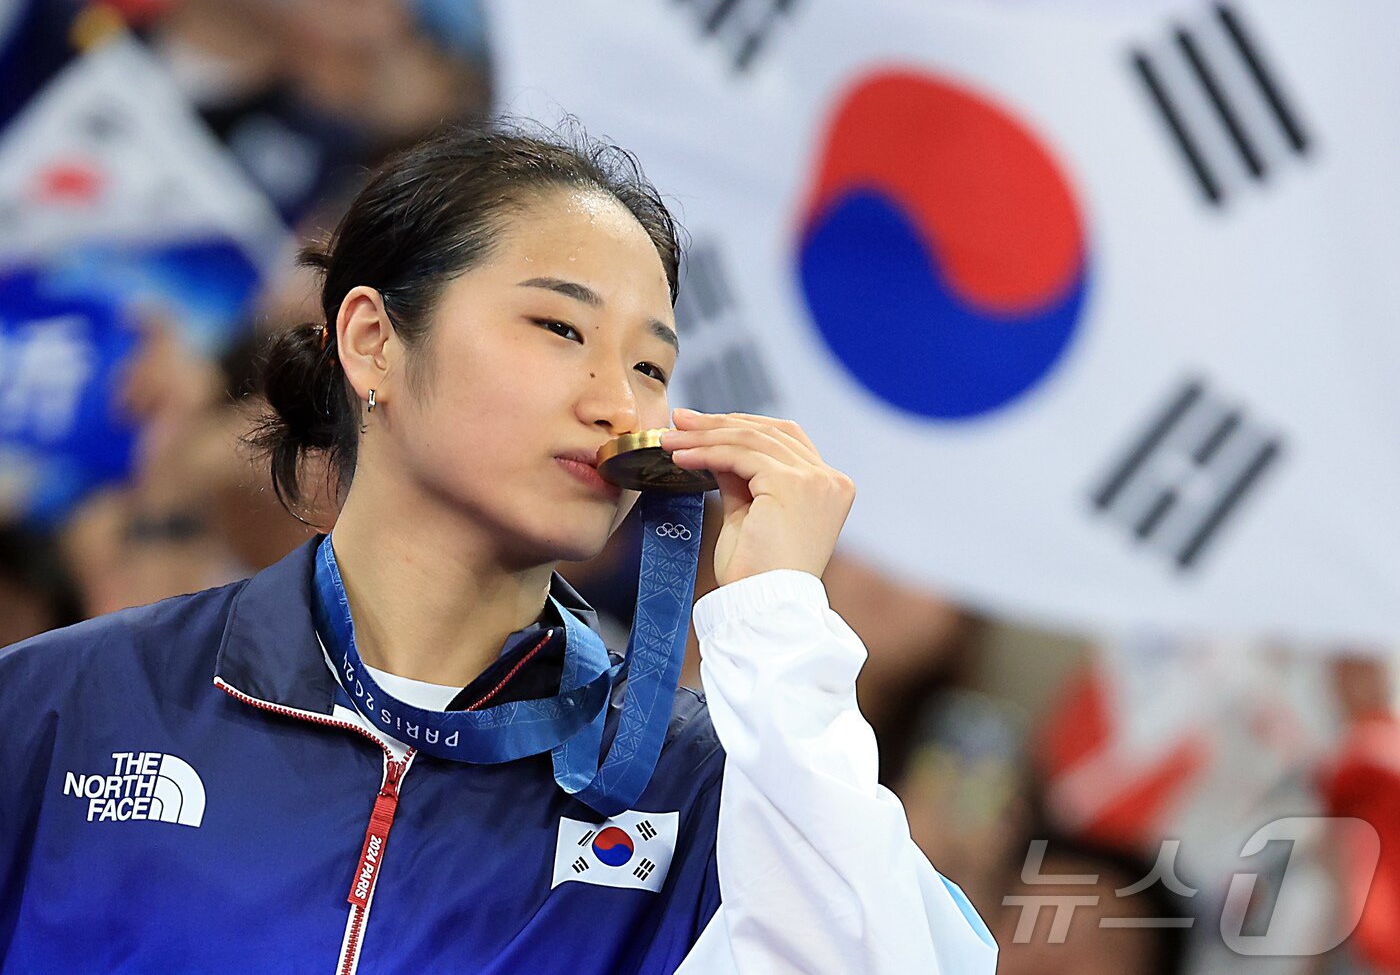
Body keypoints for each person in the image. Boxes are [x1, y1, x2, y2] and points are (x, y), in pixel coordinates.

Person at [0, 123, 996, 974]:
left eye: (650, 364)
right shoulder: (64, 705)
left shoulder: (710, 787)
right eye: (560, 327)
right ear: (372, 343)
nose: (616, 400)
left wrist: (778, 620)